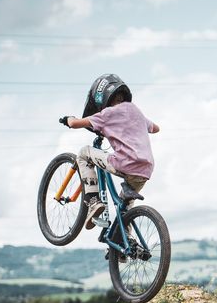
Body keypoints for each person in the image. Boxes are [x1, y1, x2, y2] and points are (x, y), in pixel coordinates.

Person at [60, 74, 160, 229]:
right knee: (125, 209)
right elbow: (156, 128)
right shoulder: (136, 111)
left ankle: (93, 201)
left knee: (84, 153)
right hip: (145, 169)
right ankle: (127, 243)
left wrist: (68, 118)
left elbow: (74, 124)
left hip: (125, 163)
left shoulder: (106, 114)